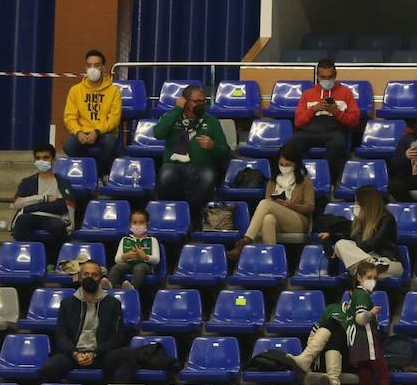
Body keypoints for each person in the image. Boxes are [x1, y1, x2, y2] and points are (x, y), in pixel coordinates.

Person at [289, 260, 386, 385]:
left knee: (334, 326)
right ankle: (330, 377)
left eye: (374, 278)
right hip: (324, 356)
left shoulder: (362, 309)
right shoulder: (333, 309)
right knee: (332, 325)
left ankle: (307, 361)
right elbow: (314, 333)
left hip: (351, 355)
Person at [40, 260, 137, 384]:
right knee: (48, 369)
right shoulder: (67, 303)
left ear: (100, 278)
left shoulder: (113, 304)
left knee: (128, 355)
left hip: (101, 354)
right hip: (73, 354)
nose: (90, 277)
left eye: (94, 275)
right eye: (86, 274)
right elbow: (61, 335)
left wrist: (95, 353)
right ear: (80, 277)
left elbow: (117, 337)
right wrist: (74, 353)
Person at [154, 84, 232, 220]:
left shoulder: (212, 121)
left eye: (203, 101)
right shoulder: (172, 117)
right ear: (185, 101)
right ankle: (166, 214)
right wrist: (177, 109)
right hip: (175, 166)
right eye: (197, 101)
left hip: (202, 168)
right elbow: (158, 133)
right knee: (166, 173)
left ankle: (193, 217)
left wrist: (212, 146)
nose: (201, 104)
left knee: (207, 176)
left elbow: (225, 151)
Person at [228, 143, 315, 260]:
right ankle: (272, 260)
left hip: (298, 221)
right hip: (278, 219)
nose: (284, 167)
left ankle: (245, 241)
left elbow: (310, 207)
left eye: (288, 164)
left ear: (295, 164)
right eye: (281, 164)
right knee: (268, 219)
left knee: (265, 203)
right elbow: (268, 205)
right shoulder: (272, 181)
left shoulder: (305, 181)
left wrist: (290, 205)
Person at [292, 59, 361, 179]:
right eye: (323, 77)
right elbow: (298, 122)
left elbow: (354, 121)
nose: (327, 80)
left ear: (335, 75)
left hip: (334, 132)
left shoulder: (346, 93)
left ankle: (324, 178)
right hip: (310, 131)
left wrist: (336, 112)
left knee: (339, 145)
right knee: (291, 145)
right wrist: (314, 109)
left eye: (330, 77)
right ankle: (306, 176)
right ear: (318, 76)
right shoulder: (308, 94)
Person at [10, 143, 76, 266]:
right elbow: (18, 203)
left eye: (46, 158)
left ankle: (55, 264)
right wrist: (43, 198)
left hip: (53, 219)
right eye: (38, 158)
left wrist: (32, 205)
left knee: (58, 227)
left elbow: (62, 206)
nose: (42, 161)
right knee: (22, 221)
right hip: (31, 217)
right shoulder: (28, 182)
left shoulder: (63, 183)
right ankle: (23, 262)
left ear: (53, 160)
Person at [319, 185, 403, 280]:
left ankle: (368, 266)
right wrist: (331, 235)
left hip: (386, 263)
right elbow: (350, 237)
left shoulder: (387, 219)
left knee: (359, 270)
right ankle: (367, 266)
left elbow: (368, 246)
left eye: (357, 201)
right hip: (367, 265)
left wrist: (359, 229)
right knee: (341, 244)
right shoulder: (361, 221)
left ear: (366, 204)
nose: (355, 204)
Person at [62, 49, 121, 177]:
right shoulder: (75, 90)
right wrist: (78, 132)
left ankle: (99, 175)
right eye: (89, 65)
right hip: (82, 133)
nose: (92, 69)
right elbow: (69, 117)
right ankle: (86, 173)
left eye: (96, 65)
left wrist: (97, 131)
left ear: (103, 68)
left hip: (104, 134)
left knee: (111, 142)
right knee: (69, 145)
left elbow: (114, 119)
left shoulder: (114, 91)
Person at [108, 208, 161, 290]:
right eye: (135, 222)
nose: (138, 225)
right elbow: (117, 260)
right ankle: (108, 286)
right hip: (128, 264)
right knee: (117, 267)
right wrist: (126, 256)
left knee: (139, 267)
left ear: (147, 224)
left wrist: (145, 257)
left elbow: (157, 260)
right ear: (130, 224)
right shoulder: (125, 239)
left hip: (145, 266)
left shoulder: (152, 240)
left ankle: (131, 288)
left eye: (141, 222)